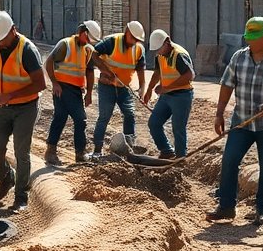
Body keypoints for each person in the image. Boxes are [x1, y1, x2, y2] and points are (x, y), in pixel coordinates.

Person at [208, 17, 263, 224]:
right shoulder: (239, 58)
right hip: (242, 123)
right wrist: (219, 113)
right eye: (249, 38)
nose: (251, 42)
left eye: (255, 38)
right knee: (229, 161)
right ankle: (226, 206)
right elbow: (227, 84)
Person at [0, 11, 47, 211]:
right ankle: (6, 177)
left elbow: (40, 84)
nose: (1, 43)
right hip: (2, 107)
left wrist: (10, 96)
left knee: (21, 152)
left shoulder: (27, 50)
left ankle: (21, 196)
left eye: (4, 39)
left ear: (13, 30)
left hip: (26, 107)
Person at [43, 20, 101, 165]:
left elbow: (89, 72)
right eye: (88, 39)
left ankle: (51, 151)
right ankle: (79, 154)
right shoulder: (65, 44)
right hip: (62, 88)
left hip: (75, 90)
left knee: (60, 117)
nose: (90, 43)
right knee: (80, 120)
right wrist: (54, 83)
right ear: (83, 33)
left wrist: (88, 93)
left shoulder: (87, 50)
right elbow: (48, 62)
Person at [91, 20, 147, 156]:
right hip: (107, 87)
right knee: (104, 116)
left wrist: (142, 88)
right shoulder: (111, 42)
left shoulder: (139, 49)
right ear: (127, 32)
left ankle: (129, 148)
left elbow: (140, 69)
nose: (134, 41)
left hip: (124, 88)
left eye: (137, 39)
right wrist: (106, 72)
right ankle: (97, 150)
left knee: (130, 114)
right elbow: (92, 54)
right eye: (132, 38)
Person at [143, 29, 195, 159]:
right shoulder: (160, 55)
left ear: (167, 42)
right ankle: (166, 150)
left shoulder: (179, 55)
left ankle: (180, 158)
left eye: (160, 48)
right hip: (166, 97)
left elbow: (190, 75)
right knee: (154, 123)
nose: (158, 52)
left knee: (178, 128)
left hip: (181, 96)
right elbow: (157, 72)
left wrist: (167, 87)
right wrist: (149, 89)